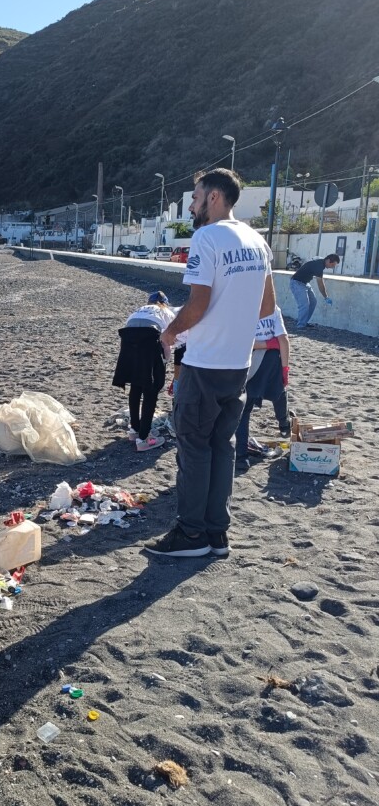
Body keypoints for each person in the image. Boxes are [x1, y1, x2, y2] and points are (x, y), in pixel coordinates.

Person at [153, 168, 275, 559]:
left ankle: (191, 535)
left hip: (204, 364)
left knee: (193, 449)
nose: (192, 204)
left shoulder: (206, 237)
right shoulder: (258, 240)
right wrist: (234, 321)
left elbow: (198, 304)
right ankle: (217, 534)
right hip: (238, 364)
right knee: (222, 447)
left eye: (196, 196)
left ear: (215, 198)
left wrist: (170, 332)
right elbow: (268, 306)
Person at [112, 291, 175, 451]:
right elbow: (169, 339)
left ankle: (134, 430)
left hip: (129, 346)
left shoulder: (139, 310)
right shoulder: (166, 312)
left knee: (136, 385)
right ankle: (143, 439)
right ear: (164, 303)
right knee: (151, 391)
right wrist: (166, 360)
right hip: (149, 341)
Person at [234, 305, 291, 472]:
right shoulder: (273, 308)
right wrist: (285, 368)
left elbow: (240, 341)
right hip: (272, 360)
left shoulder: (242, 307)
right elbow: (283, 340)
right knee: (279, 392)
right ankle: (284, 425)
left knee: (244, 410)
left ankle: (241, 458)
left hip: (249, 362)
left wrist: (263, 344)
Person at [289, 254, 339, 330]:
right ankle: (300, 325)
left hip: (305, 283)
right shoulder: (318, 266)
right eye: (332, 264)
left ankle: (304, 322)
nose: (332, 267)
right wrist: (326, 297)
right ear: (328, 260)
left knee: (313, 302)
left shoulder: (321, 262)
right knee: (304, 304)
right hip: (297, 283)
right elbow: (320, 284)